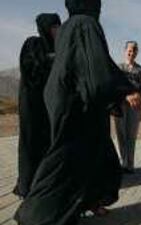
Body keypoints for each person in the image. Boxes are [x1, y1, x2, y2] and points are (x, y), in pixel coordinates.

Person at [14, 0, 141, 224]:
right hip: (76, 107)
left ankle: (82, 205)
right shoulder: (86, 24)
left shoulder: (68, 27)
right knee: (65, 162)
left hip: (65, 101)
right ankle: (35, 216)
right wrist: (124, 90)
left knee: (90, 158)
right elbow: (97, 68)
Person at [14, 13, 61, 198]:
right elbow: (31, 67)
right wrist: (55, 59)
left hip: (49, 105)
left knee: (48, 143)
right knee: (31, 143)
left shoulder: (59, 47)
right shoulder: (33, 43)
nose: (57, 30)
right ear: (45, 27)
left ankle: (44, 185)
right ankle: (27, 186)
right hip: (32, 105)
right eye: (54, 27)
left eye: (59, 26)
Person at [114, 41, 141, 174]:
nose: (131, 52)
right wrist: (126, 95)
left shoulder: (140, 69)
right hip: (121, 103)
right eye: (129, 50)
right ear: (125, 51)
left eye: (134, 50)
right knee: (121, 134)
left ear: (136, 53)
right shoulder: (118, 67)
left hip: (135, 104)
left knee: (131, 134)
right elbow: (115, 85)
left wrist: (137, 93)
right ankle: (123, 162)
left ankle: (130, 164)